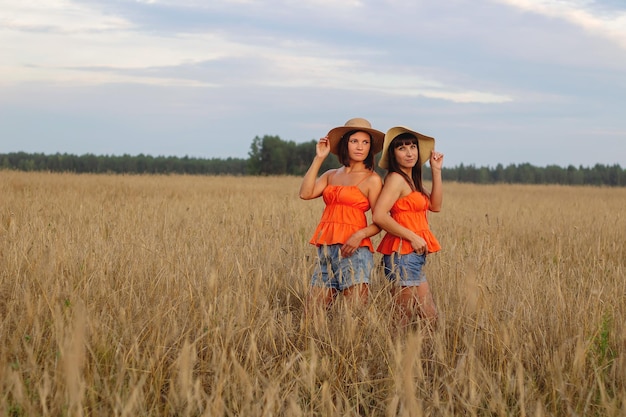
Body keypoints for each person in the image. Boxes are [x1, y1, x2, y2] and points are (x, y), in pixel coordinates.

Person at [299, 117, 384, 313]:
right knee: (312, 314)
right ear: (345, 143)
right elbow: (305, 193)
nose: (360, 147)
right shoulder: (331, 175)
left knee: (352, 317)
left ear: (370, 148)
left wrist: (359, 235)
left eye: (365, 142)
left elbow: (380, 220)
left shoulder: (372, 179)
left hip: (354, 251)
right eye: (354, 141)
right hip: (326, 250)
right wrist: (319, 158)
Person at [372, 126, 444, 328]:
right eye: (402, 148)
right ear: (393, 154)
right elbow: (379, 215)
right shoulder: (396, 179)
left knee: (429, 317)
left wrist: (436, 171)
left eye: (413, 147)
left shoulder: (412, 180)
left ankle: (423, 357)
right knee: (401, 318)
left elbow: (435, 206)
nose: (410, 152)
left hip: (413, 254)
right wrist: (412, 237)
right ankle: (392, 356)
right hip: (402, 253)